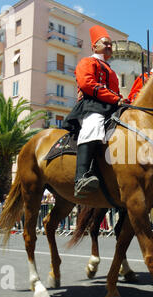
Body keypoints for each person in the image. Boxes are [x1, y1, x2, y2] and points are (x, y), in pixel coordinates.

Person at [62, 25, 124, 198]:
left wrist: (122, 101)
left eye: (111, 44)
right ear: (94, 47)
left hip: (112, 105)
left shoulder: (111, 71)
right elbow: (87, 84)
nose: (110, 47)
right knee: (94, 124)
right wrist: (115, 99)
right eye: (106, 43)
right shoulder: (87, 62)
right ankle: (80, 178)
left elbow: (116, 92)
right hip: (92, 105)